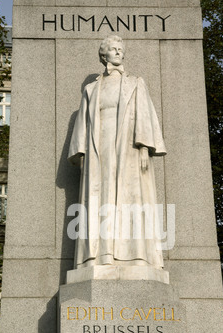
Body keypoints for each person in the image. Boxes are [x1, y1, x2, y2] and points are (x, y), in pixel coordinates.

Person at [68, 35, 167, 269]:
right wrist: (81, 154)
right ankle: (100, 255)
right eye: (113, 49)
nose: (118, 52)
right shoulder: (92, 89)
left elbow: (143, 114)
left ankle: (136, 255)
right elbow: (84, 123)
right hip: (99, 148)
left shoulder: (135, 83)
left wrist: (144, 147)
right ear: (104, 55)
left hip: (129, 146)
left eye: (120, 49)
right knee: (100, 201)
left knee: (130, 199)